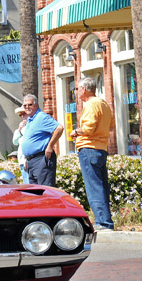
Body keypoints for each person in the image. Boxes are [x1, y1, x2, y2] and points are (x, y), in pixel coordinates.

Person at [70, 77, 115, 231]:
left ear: (84, 89)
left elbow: (88, 129)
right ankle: (106, 220)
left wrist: (75, 131)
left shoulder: (90, 104)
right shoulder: (104, 104)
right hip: (101, 148)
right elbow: (111, 125)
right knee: (101, 185)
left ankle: (102, 222)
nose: (76, 92)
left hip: (89, 148)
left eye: (77, 88)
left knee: (93, 186)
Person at [19, 95, 64, 187]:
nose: (27, 107)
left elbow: (59, 128)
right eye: (25, 105)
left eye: (30, 104)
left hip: (42, 159)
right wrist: (27, 158)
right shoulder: (30, 120)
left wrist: (50, 146)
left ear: (36, 105)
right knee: (35, 194)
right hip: (31, 161)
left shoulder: (41, 117)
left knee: (45, 191)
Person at [12, 106, 30, 183]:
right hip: (22, 161)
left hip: (28, 160)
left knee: (29, 184)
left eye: (24, 114)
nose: (22, 116)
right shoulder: (21, 128)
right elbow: (15, 142)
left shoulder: (31, 127)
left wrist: (27, 159)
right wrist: (19, 130)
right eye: (21, 115)